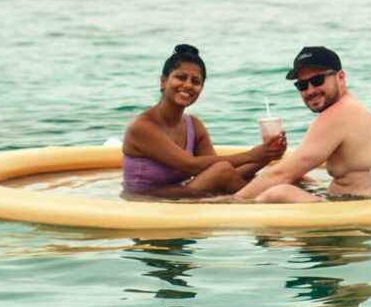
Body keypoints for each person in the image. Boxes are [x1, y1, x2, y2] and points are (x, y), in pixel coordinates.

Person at [233, 45, 371, 202]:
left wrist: (229, 202)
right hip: (364, 201)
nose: (310, 90)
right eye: (302, 85)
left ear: (341, 77)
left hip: (368, 210)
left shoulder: (338, 115)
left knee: (278, 192)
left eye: (317, 81)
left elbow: (281, 175)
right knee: (296, 179)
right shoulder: (351, 107)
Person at [121, 43, 287, 198]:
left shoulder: (193, 125)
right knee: (230, 172)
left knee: (273, 174)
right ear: (164, 81)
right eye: (181, 77)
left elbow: (221, 171)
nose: (188, 85)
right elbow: (191, 166)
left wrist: (266, 155)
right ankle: (263, 202)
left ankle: (265, 197)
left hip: (182, 196)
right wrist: (251, 155)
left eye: (195, 81)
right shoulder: (141, 126)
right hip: (146, 201)